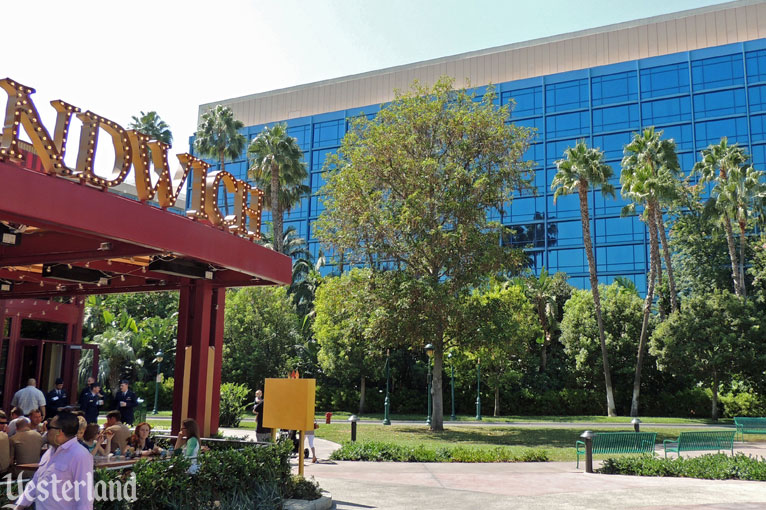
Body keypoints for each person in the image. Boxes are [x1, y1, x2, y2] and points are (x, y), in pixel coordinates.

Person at [13, 411, 94, 509]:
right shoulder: (49, 452)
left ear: (59, 432)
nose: (46, 431)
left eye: (49, 428)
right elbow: (35, 483)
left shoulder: (80, 455)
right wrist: (18, 507)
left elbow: (85, 498)